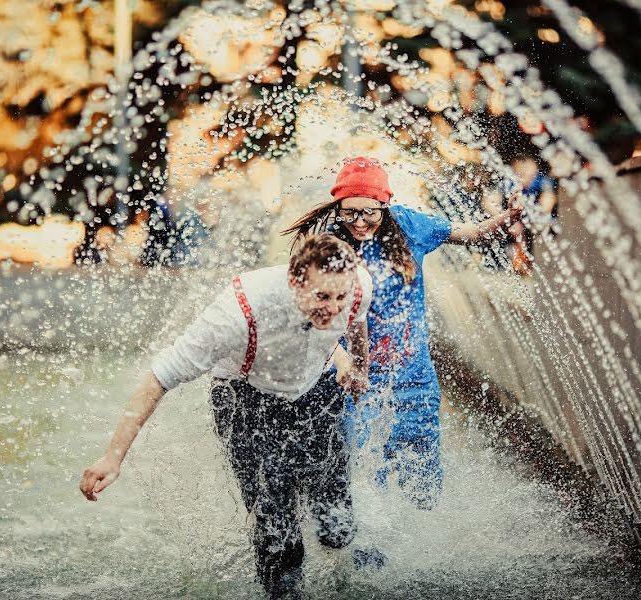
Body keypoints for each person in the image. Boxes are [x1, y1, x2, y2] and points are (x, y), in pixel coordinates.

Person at [79, 234, 373, 598]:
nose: (333, 309)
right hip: (245, 399)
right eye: (321, 297)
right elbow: (159, 377)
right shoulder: (237, 312)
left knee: (337, 526)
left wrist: (359, 366)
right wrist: (113, 456)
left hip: (314, 389)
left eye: (340, 297)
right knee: (278, 534)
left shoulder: (357, 286)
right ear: (295, 281)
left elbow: (356, 319)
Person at [283, 157, 521, 510]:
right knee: (364, 472)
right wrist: (341, 359)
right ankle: (368, 554)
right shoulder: (329, 245)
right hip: (357, 381)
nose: (360, 223)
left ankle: (422, 543)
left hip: (415, 375)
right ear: (338, 207)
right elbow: (310, 317)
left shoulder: (409, 226)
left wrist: (509, 219)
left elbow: (468, 234)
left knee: (422, 468)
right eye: (349, 213)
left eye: (370, 213)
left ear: (385, 205)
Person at [482, 155, 557, 274]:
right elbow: (488, 202)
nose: (524, 171)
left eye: (528, 169)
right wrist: (506, 219)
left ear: (535, 168)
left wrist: (532, 217)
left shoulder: (542, 181)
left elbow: (547, 202)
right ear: (513, 168)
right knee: (496, 229)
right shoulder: (507, 181)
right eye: (520, 171)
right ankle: (505, 263)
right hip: (512, 223)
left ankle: (533, 264)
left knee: (542, 226)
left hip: (534, 222)